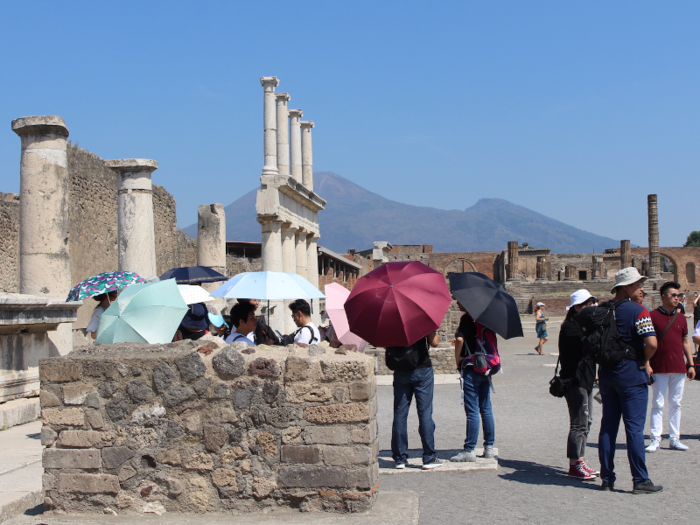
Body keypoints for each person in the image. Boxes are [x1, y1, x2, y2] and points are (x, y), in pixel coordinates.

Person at [597, 267, 662, 494]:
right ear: (625, 287)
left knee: (608, 426)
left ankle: (606, 478)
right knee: (634, 428)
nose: (640, 287)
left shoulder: (603, 310)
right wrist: (645, 361)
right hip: (632, 374)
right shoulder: (639, 311)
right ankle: (640, 480)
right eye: (636, 284)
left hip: (606, 374)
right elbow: (652, 343)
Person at [646, 282, 696, 452]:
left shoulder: (681, 318)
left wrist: (690, 364)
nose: (677, 298)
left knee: (676, 403)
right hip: (659, 366)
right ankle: (655, 438)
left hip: (678, 367)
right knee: (657, 404)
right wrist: (647, 363)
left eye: (678, 295)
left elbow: (685, 342)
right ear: (664, 297)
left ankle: (674, 438)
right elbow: (644, 342)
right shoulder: (652, 316)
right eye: (674, 295)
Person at [558, 290, 598, 479]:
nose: (591, 309)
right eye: (587, 305)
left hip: (587, 379)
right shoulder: (570, 328)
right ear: (577, 307)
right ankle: (574, 464)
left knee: (587, 421)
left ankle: (580, 459)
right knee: (578, 423)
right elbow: (589, 344)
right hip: (574, 380)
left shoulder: (582, 326)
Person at [389, 331, 443, 470]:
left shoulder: (391, 320)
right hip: (421, 367)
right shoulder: (422, 316)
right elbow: (434, 342)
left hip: (400, 368)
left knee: (400, 415)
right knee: (425, 413)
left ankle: (399, 458)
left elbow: (385, 345)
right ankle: (429, 457)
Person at [451, 305, 496, 463]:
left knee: (472, 411)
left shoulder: (466, 318)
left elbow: (459, 339)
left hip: (470, 367)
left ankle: (469, 449)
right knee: (486, 408)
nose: (456, 302)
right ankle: (489, 448)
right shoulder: (486, 318)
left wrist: (457, 359)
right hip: (485, 366)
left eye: (459, 300)